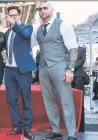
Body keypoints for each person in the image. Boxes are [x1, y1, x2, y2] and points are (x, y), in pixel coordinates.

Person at [31, 2, 78, 140]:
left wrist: (70, 69)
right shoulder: (38, 29)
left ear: (52, 10)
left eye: (45, 8)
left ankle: (71, 133)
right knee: (48, 100)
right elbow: (30, 43)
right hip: (44, 68)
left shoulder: (62, 25)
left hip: (60, 66)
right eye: (40, 9)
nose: (42, 11)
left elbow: (73, 48)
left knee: (66, 100)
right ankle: (56, 130)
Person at [4, 6, 36, 140]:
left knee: (26, 99)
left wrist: (14, 24)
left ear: (19, 15)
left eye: (14, 15)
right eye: (10, 15)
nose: (12, 17)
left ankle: (27, 128)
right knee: (12, 100)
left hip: (23, 70)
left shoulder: (27, 27)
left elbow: (25, 35)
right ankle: (17, 126)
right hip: (9, 70)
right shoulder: (7, 33)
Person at [72, 46, 86, 132]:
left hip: (78, 76)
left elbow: (82, 61)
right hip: (67, 76)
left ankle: (80, 127)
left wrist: (71, 67)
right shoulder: (65, 48)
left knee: (80, 101)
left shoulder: (82, 49)